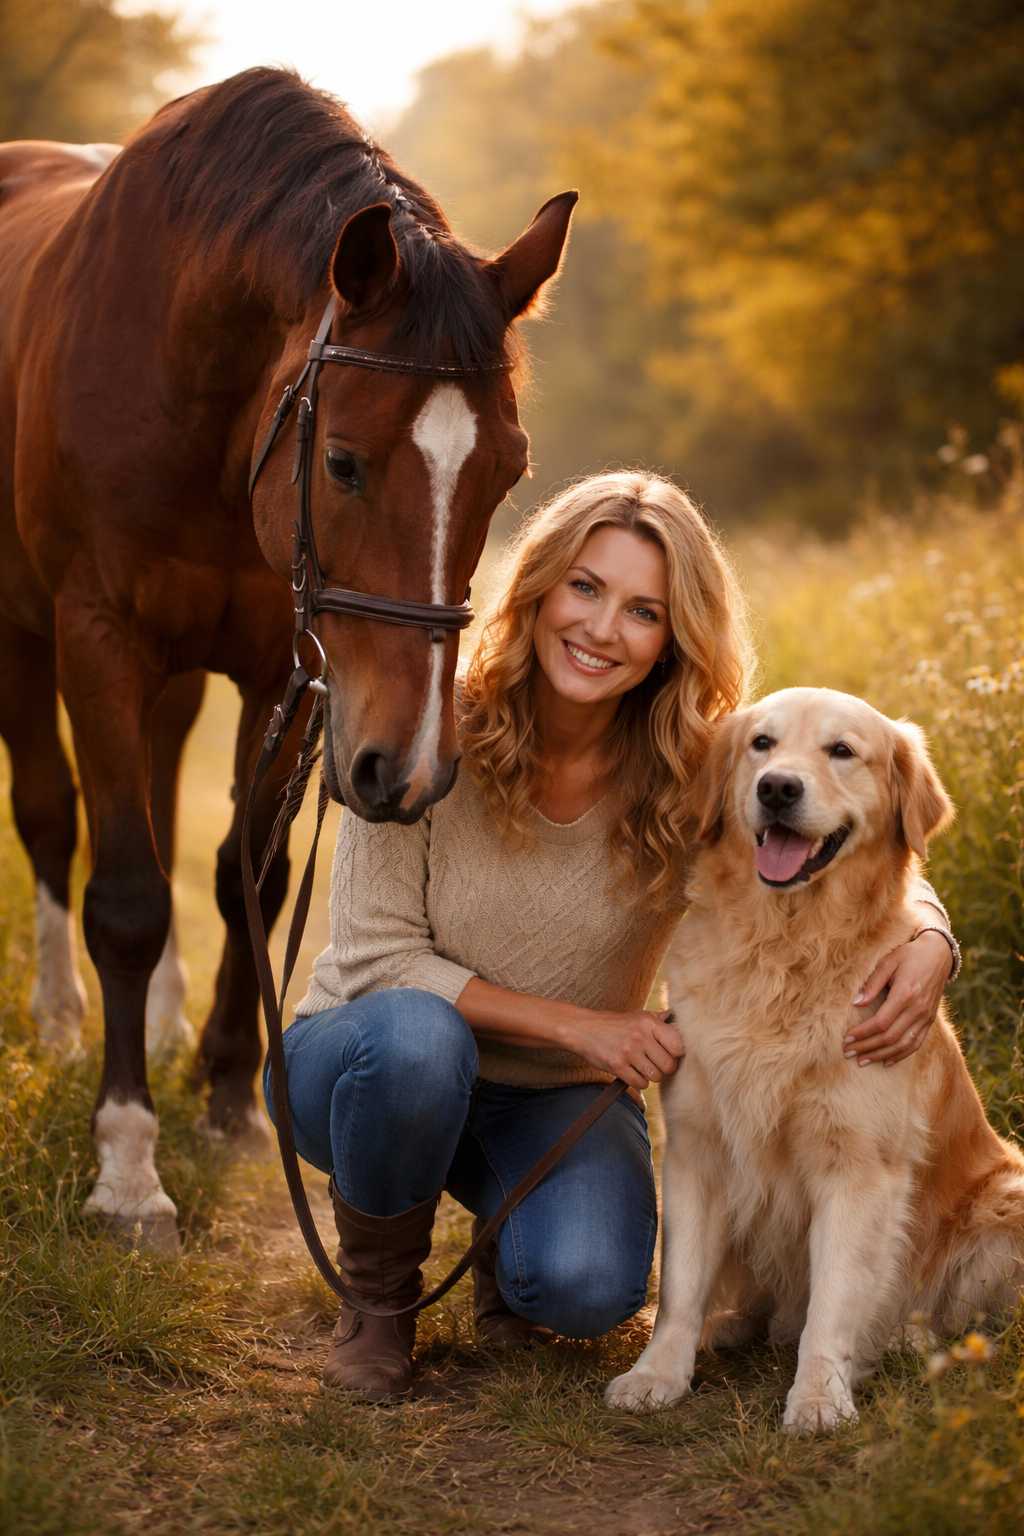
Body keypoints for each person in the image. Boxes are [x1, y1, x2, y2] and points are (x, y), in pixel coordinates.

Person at [264, 471, 958, 1401]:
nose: (601, 629)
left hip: (552, 1101)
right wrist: (585, 1028)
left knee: (588, 1290)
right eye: (585, 588)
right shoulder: (433, 723)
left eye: (642, 611)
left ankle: (509, 1226)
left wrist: (931, 940)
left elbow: (847, 846)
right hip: (366, 1063)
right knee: (415, 1040)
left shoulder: (694, 770)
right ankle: (380, 1304)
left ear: (674, 638)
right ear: (540, 586)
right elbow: (378, 961)